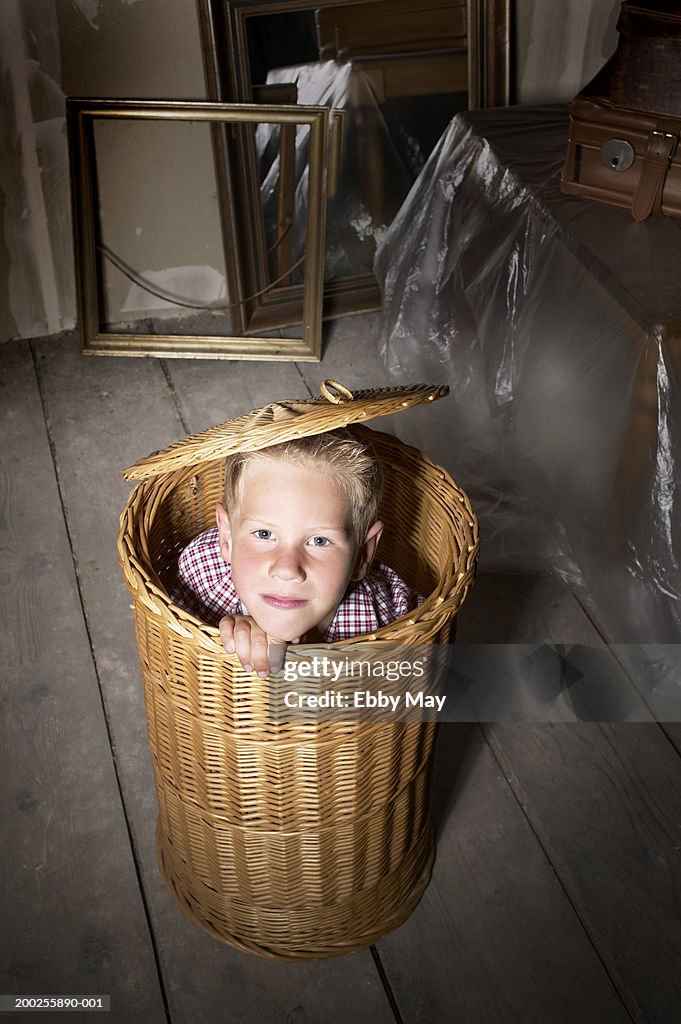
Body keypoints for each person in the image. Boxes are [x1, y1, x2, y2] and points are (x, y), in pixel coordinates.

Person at [173, 428, 421, 675]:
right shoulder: (203, 575)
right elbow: (174, 662)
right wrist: (223, 635)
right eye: (264, 534)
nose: (287, 569)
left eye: (319, 540)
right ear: (226, 538)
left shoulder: (388, 613)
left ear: (362, 555)